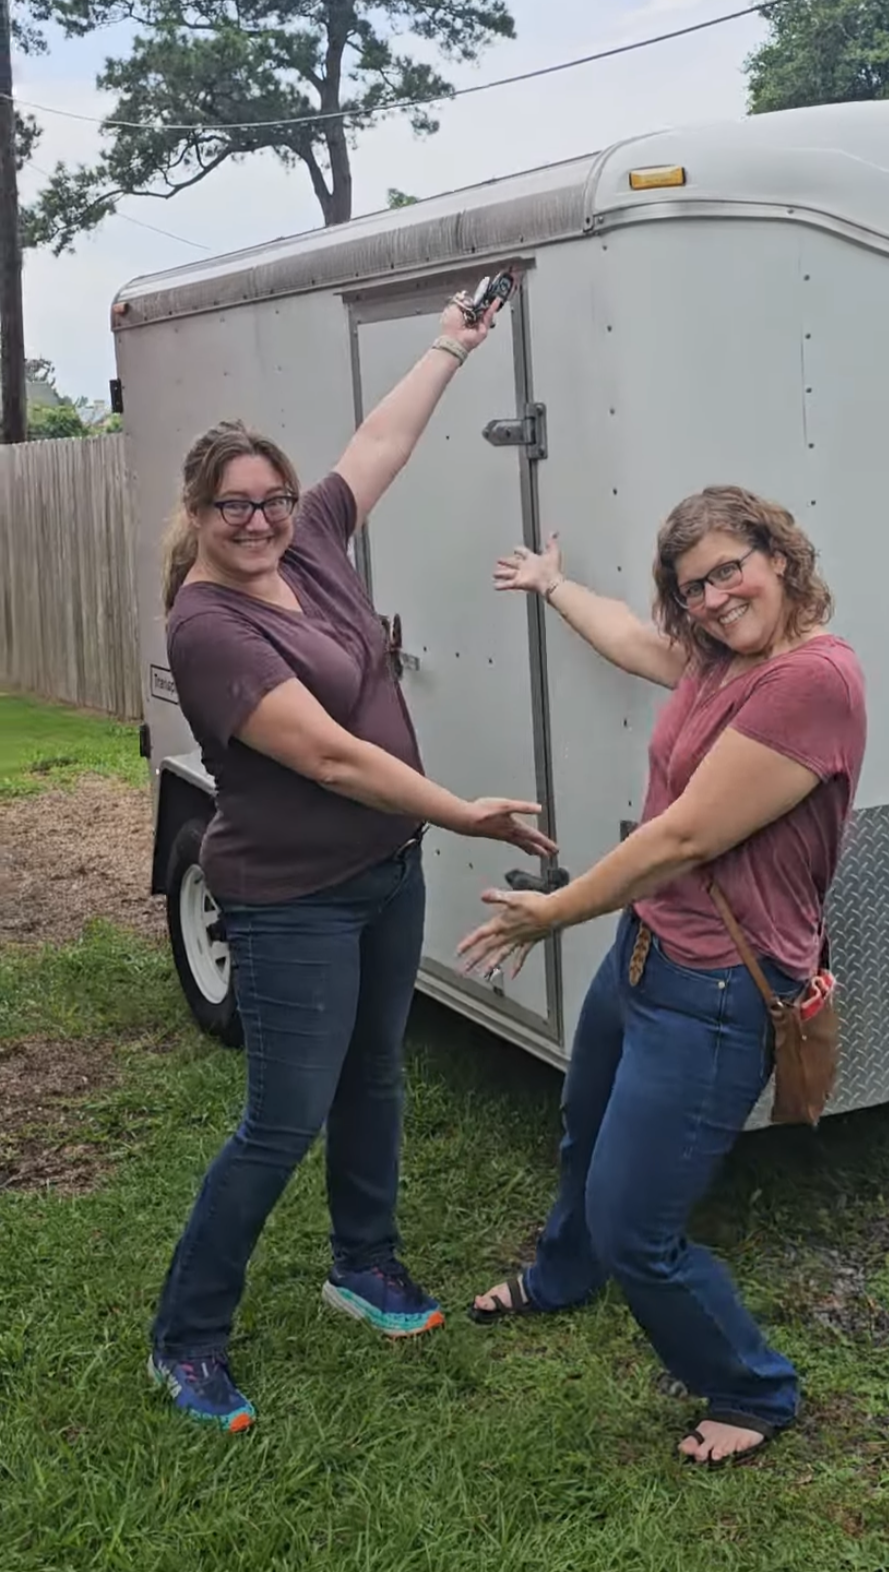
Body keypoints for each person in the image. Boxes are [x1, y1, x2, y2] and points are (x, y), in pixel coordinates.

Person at [150, 284, 557, 1432]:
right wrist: (463, 813)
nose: (261, 520)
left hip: (383, 874)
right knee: (280, 1120)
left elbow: (380, 444)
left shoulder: (315, 543)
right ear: (200, 511)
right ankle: (186, 1338)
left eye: (274, 499)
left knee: (376, 1073)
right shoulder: (208, 624)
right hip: (292, 902)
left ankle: (361, 1265)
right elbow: (328, 757)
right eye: (235, 506)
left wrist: (447, 346)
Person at [460, 487, 867, 1467]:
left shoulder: (813, 680)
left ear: (779, 556)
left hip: (720, 990)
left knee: (639, 1228)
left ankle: (752, 1388)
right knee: (584, 1135)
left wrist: (555, 909)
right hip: (644, 958)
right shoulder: (719, 660)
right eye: (696, 588)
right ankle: (563, 1276)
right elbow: (631, 643)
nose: (719, 597)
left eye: (734, 568)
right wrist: (557, 586)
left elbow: (681, 836)